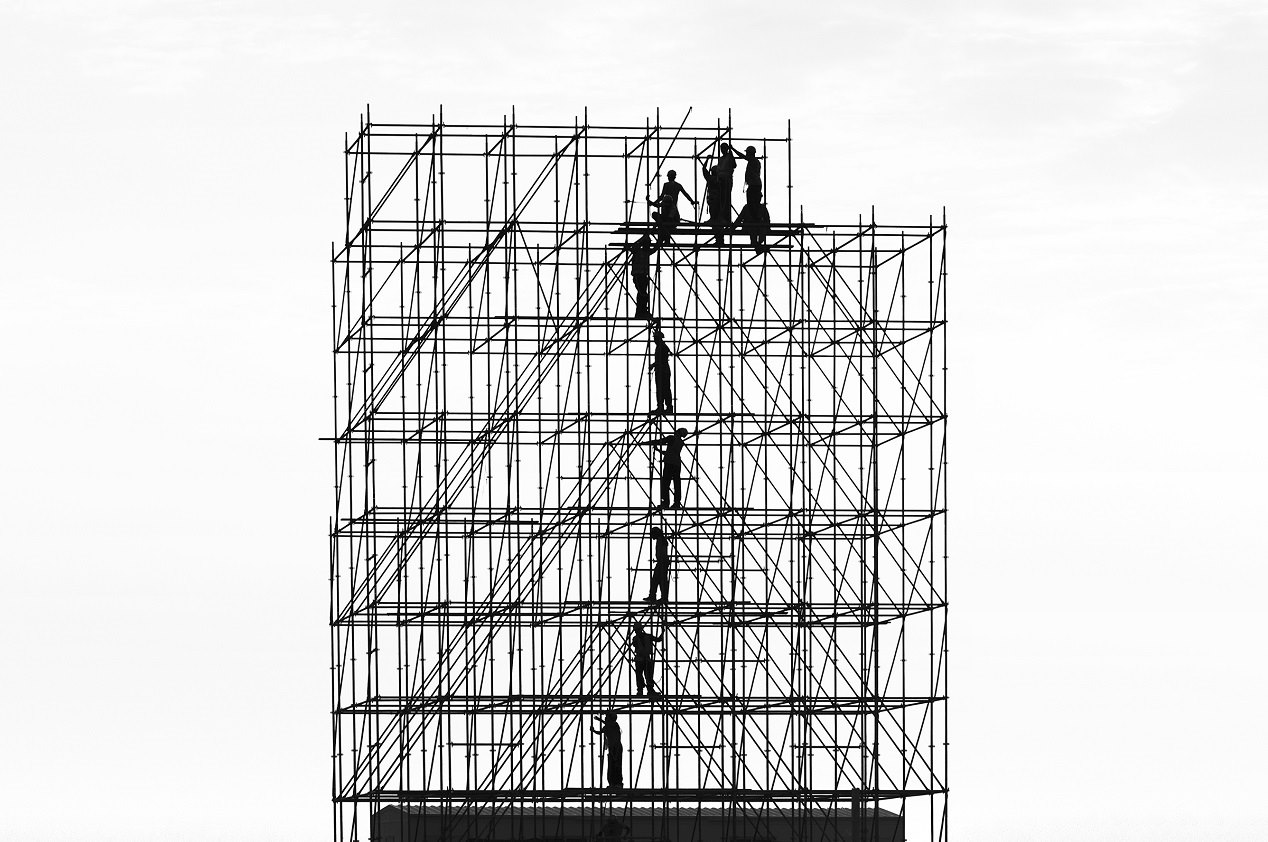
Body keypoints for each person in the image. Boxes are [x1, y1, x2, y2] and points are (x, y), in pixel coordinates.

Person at [647, 427, 689, 509]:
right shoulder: (680, 442)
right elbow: (670, 452)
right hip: (677, 464)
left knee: (665, 484)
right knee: (677, 484)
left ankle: (665, 503)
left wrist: (648, 442)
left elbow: (660, 441)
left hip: (669, 463)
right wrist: (658, 450)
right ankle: (676, 503)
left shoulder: (671, 438)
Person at [647, 170, 695, 242]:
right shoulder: (677, 185)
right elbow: (685, 194)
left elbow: (661, 197)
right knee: (664, 221)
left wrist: (652, 202)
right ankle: (665, 237)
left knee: (665, 221)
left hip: (670, 214)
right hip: (671, 213)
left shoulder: (667, 185)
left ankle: (665, 238)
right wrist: (692, 201)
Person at [630, 621, 664, 697]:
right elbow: (658, 639)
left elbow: (658, 639)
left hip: (644, 659)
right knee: (640, 675)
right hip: (640, 659)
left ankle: (649, 690)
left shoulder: (645, 637)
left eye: (636, 630)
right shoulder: (637, 638)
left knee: (647, 675)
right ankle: (641, 690)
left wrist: (663, 631)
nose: (636, 632)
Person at [627, 234, 656, 319]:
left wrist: (660, 241)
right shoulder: (638, 251)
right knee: (642, 294)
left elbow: (654, 249)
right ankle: (640, 312)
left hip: (643, 276)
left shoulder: (646, 252)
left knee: (643, 294)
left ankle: (642, 311)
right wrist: (642, 239)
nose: (649, 245)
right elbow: (632, 248)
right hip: (638, 276)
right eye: (648, 243)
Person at [592, 712, 623, 788]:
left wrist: (599, 719)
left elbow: (609, 724)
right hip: (612, 748)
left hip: (617, 748)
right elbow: (600, 732)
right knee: (611, 766)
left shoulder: (615, 725)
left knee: (617, 766)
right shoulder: (607, 727)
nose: (605, 719)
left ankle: (618, 783)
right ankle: (612, 783)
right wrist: (593, 730)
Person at [644, 525, 672, 603]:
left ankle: (659, 597)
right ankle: (658, 596)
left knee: (659, 579)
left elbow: (662, 551)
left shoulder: (661, 539)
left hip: (662, 562)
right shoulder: (661, 539)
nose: (651, 536)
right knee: (658, 580)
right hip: (662, 562)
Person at [649, 329, 673, 413]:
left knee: (664, 389)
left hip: (663, 370)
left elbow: (661, 359)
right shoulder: (661, 346)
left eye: (655, 339)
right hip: (662, 370)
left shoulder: (662, 347)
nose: (654, 340)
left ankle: (666, 407)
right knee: (662, 389)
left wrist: (653, 365)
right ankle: (663, 407)